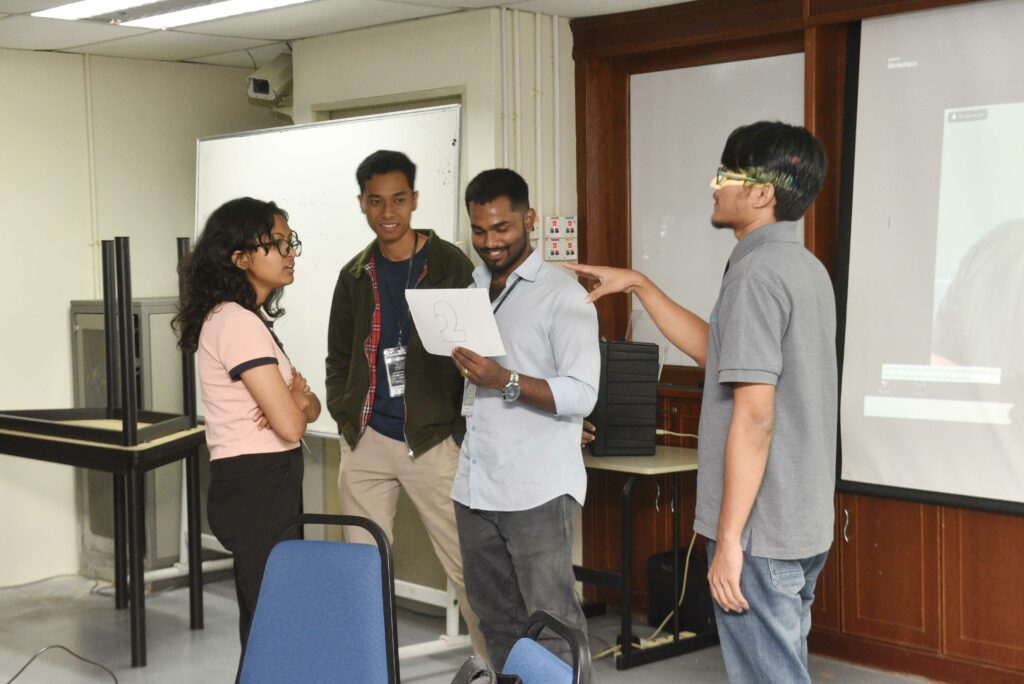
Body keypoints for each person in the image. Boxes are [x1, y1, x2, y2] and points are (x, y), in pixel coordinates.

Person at [567, 121, 836, 683]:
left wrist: (730, 540)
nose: (715, 186)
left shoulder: (756, 274)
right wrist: (640, 284)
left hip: (759, 533)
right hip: (799, 525)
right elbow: (720, 353)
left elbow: (755, 416)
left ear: (762, 193)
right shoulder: (802, 267)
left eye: (726, 175)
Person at [325, 150, 483, 654]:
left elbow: (477, 350)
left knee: (470, 569)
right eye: (376, 201)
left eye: (397, 199)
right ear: (362, 204)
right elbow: (338, 357)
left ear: (414, 200)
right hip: (367, 440)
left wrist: (457, 428)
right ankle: (369, 669)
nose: (387, 212)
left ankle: (497, 669)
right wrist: (345, 415)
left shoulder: (450, 264)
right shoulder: (354, 275)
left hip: (432, 441)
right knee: (363, 576)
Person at [450, 168, 600, 669]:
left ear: (529, 219)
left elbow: (583, 393)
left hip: (537, 487)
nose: (489, 242)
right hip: (475, 484)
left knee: (552, 623)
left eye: (502, 228)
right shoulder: (472, 287)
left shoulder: (564, 295)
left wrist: (503, 379)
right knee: (496, 621)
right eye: (479, 230)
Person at [174, 197, 321, 676]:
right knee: (270, 629)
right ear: (239, 258)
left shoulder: (247, 320)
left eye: (290, 242)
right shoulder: (236, 322)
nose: (289, 253)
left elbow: (309, 404)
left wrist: (296, 399)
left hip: (263, 481)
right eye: (276, 243)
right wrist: (294, 400)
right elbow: (293, 423)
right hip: (257, 485)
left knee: (269, 624)